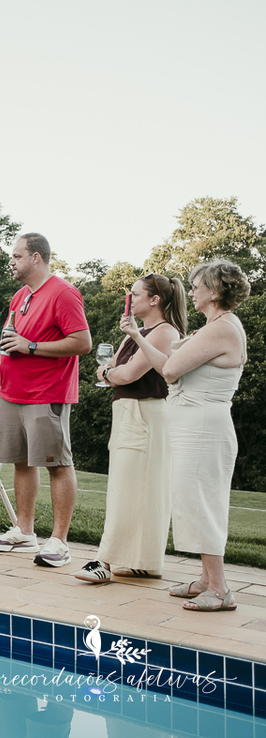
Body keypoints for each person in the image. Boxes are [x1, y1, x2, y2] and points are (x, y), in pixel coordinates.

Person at [121, 259, 250, 612]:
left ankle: (220, 588)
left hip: (204, 429)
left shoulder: (221, 328)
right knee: (193, 501)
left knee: (202, 503)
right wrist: (139, 336)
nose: (191, 291)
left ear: (215, 290)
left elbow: (171, 370)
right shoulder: (214, 326)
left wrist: (136, 337)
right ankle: (206, 579)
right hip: (195, 427)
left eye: (197, 286)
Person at [0, 233, 91, 567]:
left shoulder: (64, 293)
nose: (11, 262)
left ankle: (59, 541)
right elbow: (11, 337)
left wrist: (30, 346)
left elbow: (82, 342)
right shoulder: (20, 296)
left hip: (47, 394)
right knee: (21, 462)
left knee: (57, 464)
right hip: (11, 393)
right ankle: (24, 530)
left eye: (16, 256)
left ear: (36, 258)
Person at [75, 273, 185, 583]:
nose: (130, 299)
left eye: (135, 294)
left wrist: (111, 372)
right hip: (126, 412)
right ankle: (140, 562)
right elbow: (111, 370)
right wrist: (112, 371)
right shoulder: (136, 333)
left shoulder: (164, 332)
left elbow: (127, 374)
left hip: (146, 413)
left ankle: (105, 562)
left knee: (135, 489)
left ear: (155, 299)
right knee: (130, 488)